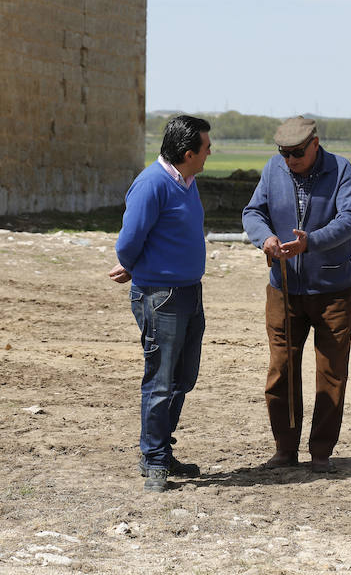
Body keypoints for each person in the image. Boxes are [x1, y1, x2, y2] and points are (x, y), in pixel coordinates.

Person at [242, 116, 351, 473]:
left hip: (332, 290)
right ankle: (284, 450)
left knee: (331, 372)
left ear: (315, 144)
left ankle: (321, 452)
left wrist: (312, 243)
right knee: (282, 369)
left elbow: (350, 218)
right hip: (284, 289)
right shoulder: (273, 169)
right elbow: (253, 212)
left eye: (296, 153)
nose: (290, 160)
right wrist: (265, 238)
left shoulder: (340, 169)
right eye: (284, 153)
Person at [109, 115, 211, 492]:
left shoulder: (186, 181)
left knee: (183, 377)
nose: (210, 153)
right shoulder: (151, 184)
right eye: (206, 147)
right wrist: (132, 265)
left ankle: (160, 451)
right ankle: (153, 460)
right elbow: (129, 239)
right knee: (161, 379)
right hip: (161, 297)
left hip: (188, 292)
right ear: (188, 153)